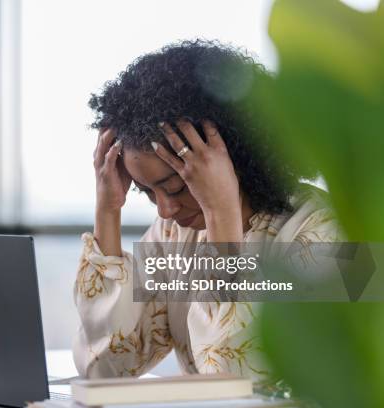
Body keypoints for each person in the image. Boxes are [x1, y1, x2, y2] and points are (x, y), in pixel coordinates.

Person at [73, 40, 343, 380]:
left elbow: (241, 377)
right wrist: (108, 212)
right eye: (147, 192)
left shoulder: (327, 235)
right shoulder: (175, 233)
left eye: (175, 186)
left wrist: (221, 215)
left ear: (232, 159)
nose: (166, 210)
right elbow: (106, 367)